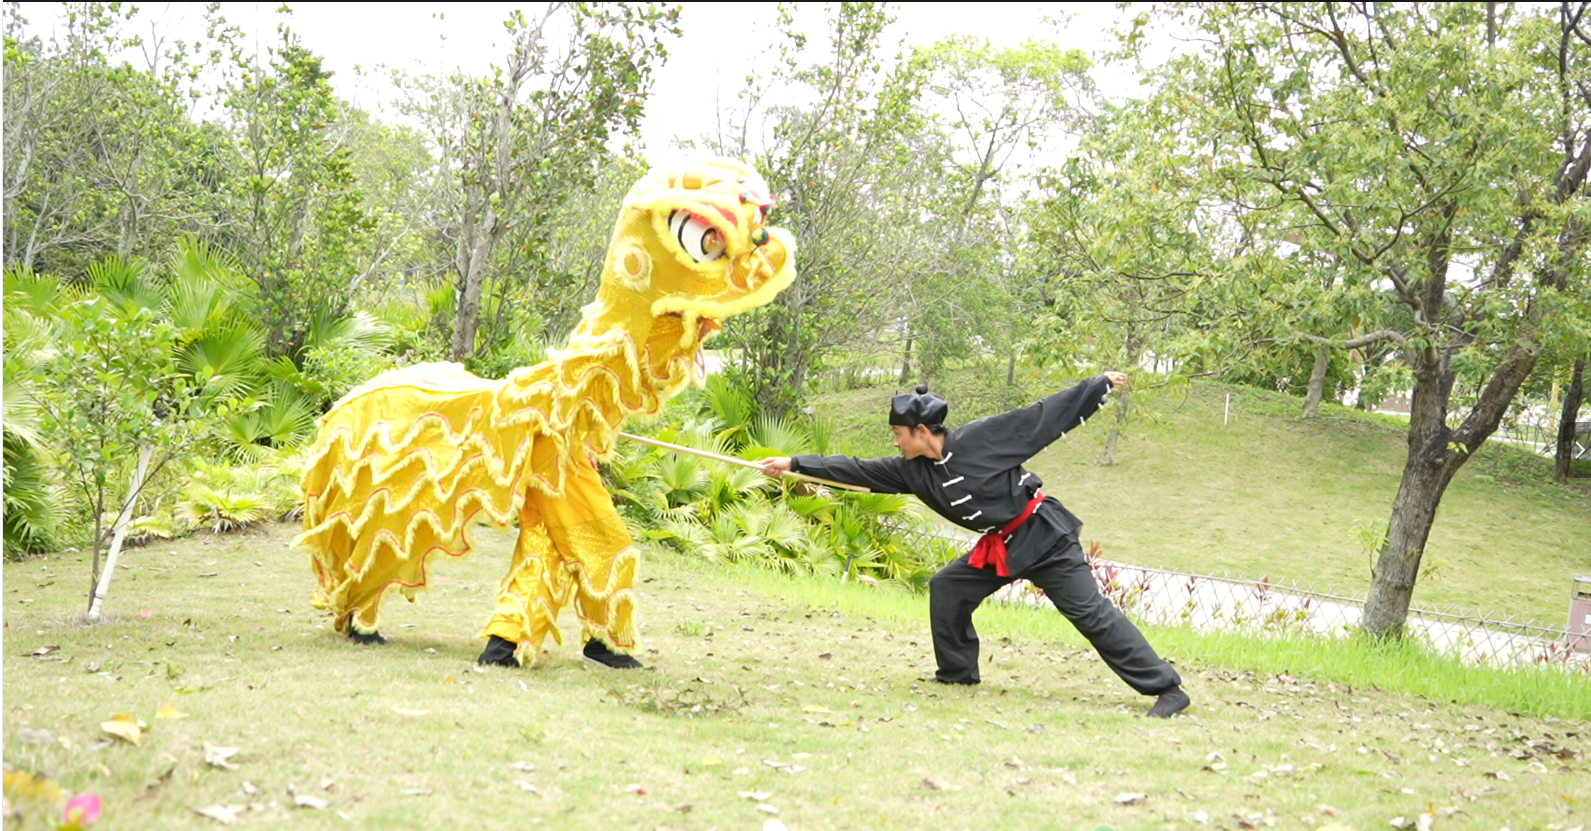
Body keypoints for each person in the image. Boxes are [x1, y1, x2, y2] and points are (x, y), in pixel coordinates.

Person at [757, 373, 1190, 718]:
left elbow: (1040, 418)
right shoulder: (910, 470)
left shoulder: (982, 438)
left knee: (1090, 613)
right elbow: (856, 469)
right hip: (1001, 545)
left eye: (897, 433)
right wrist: (794, 464)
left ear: (921, 430)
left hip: (1045, 537)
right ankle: (957, 672)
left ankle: (1167, 689)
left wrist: (1096, 386)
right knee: (949, 587)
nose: (894, 441)